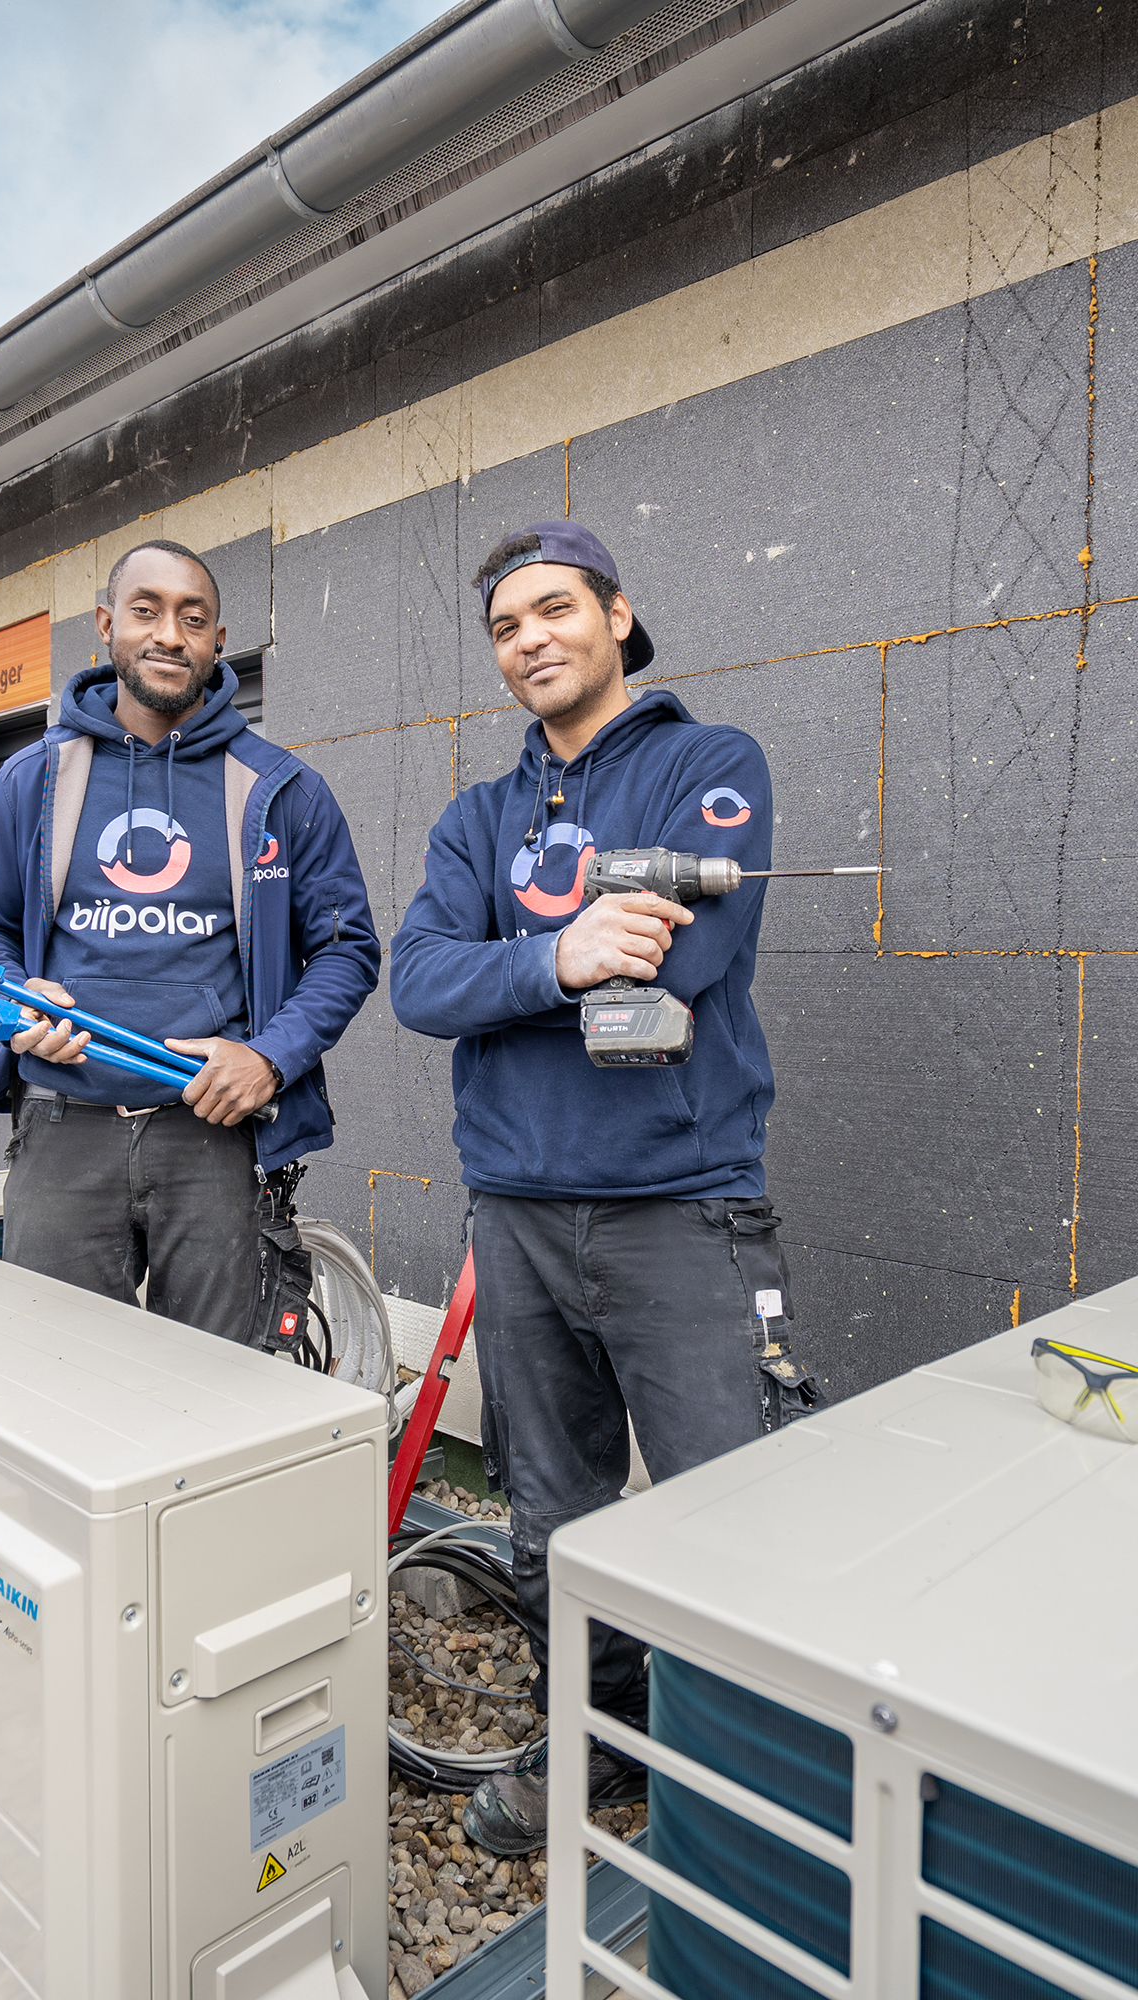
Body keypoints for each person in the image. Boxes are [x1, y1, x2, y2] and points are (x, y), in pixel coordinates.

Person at [391, 521, 797, 1854]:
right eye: (508, 626)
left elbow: (678, 963)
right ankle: (602, 1739)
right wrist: (556, 961)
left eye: (555, 611)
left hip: (682, 1209)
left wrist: (521, 967)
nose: (531, 642)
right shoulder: (475, 817)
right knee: (553, 1512)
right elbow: (421, 984)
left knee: (721, 1505)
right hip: (515, 1215)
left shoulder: (709, 767)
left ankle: (737, 1786)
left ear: (619, 616)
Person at [0, 538, 379, 1340]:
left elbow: (347, 949)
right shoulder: (32, 779)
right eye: (147, 611)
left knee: (217, 1390)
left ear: (220, 641)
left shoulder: (282, 789)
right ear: (107, 624)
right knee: (56, 1379)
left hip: (209, 1137)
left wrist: (269, 1056)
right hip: (62, 1127)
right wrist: (14, 996)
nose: (170, 635)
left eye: (194, 618)